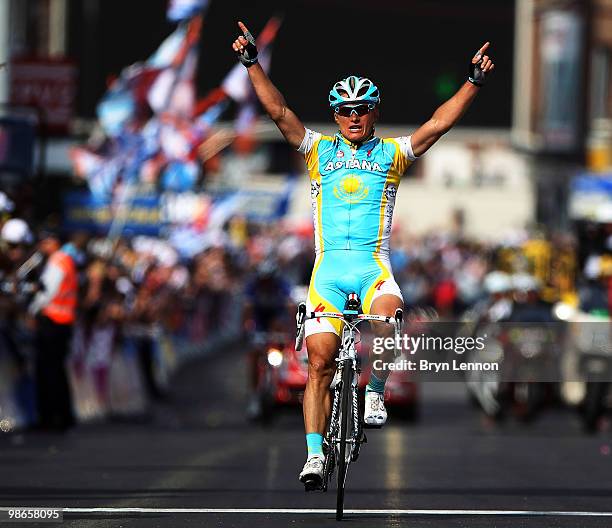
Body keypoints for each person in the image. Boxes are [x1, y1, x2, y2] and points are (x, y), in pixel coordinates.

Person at [231, 21, 495, 488]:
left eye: (362, 109)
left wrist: (472, 80)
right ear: (335, 115)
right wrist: (252, 63)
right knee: (318, 361)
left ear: (374, 113)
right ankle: (314, 456)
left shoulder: (392, 153)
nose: (353, 117)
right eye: (345, 110)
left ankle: (374, 393)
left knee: (389, 320)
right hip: (328, 272)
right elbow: (277, 110)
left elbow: (439, 123)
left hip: (372, 267)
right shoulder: (316, 151)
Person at [28, 230, 81, 430]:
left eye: (44, 242)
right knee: (58, 370)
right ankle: (64, 416)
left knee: (48, 371)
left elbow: (47, 291)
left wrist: (32, 310)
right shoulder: (66, 261)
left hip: (51, 322)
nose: (41, 247)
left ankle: (50, 419)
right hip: (64, 322)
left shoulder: (57, 261)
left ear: (53, 243)